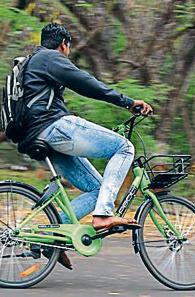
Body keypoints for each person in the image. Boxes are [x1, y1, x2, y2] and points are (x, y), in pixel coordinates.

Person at [20, 24, 153, 268]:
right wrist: (127, 102)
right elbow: (86, 83)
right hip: (53, 126)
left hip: (36, 135)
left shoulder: (33, 62)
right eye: (68, 48)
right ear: (63, 45)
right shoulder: (50, 57)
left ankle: (50, 237)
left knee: (98, 190)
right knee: (124, 147)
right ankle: (103, 216)